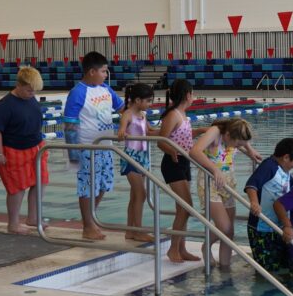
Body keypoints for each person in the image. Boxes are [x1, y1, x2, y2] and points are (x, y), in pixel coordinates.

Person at [63, 51, 125, 241]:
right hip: (87, 148)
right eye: (104, 71)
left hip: (106, 147)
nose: (106, 75)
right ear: (91, 71)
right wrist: (73, 154)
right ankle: (87, 225)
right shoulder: (78, 92)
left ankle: (90, 218)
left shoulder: (106, 89)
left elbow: (123, 109)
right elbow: (70, 124)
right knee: (88, 187)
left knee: (104, 185)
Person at [190, 117, 261, 269]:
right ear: (228, 135)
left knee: (230, 233)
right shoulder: (215, 132)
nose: (237, 147)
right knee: (224, 228)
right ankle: (206, 246)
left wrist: (249, 150)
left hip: (228, 183)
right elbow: (194, 151)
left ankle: (225, 268)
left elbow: (241, 137)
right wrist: (214, 169)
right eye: (237, 144)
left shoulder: (234, 134)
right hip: (210, 183)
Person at [0, 67, 48, 234]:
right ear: (19, 85)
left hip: (35, 147)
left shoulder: (31, 99)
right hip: (14, 150)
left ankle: (33, 217)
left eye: (34, 91)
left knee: (40, 182)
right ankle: (13, 223)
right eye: (29, 90)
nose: (32, 93)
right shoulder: (6, 105)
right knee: (17, 188)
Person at [158, 79, 204, 263]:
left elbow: (181, 136)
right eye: (192, 93)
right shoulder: (173, 115)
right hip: (172, 162)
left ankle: (181, 248)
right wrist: (172, 151)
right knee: (186, 207)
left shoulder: (182, 114)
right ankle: (172, 249)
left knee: (182, 208)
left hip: (184, 162)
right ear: (187, 95)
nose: (193, 97)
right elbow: (162, 141)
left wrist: (200, 130)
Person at [244, 138, 293, 274]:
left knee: (279, 264)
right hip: (261, 227)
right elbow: (251, 185)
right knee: (266, 268)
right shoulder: (269, 166)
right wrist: (254, 202)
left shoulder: (284, 170)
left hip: (276, 226)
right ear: (286, 157)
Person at [117, 83, 156, 243]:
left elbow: (150, 131)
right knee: (141, 194)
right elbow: (121, 130)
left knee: (135, 196)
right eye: (148, 101)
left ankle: (130, 230)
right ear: (138, 100)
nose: (150, 104)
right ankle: (138, 231)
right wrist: (122, 133)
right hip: (131, 158)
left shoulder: (142, 114)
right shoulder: (128, 114)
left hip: (143, 158)